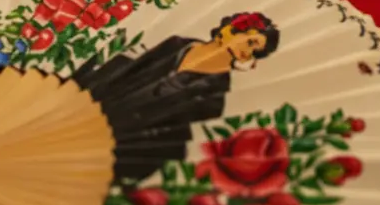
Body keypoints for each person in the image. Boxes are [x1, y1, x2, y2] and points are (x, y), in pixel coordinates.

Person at [74, 11, 280, 183]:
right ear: (230, 29)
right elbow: (132, 67)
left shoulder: (217, 92)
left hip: (125, 137)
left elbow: (176, 135)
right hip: (99, 103)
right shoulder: (177, 44)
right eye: (250, 41)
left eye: (256, 51)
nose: (248, 52)